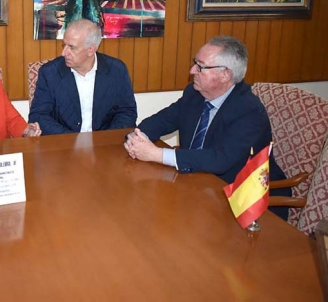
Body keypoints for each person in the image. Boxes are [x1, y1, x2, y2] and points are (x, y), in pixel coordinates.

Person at [124, 36, 291, 220]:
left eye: (200, 66)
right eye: (195, 63)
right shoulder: (194, 94)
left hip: (242, 200)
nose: (192, 70)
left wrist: (156, 154)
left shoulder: (248, 110)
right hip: (197, 188)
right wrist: (136, 138)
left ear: (225, 74)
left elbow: (219, 159)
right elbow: (161, 121)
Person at [29, 19, 137, 135]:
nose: (64, 53)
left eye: (72, 47)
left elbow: (127, 112)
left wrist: (104, 139)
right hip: (64, 144)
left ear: (91, 50)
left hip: (105, 144)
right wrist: (73, 140)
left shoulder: (116, 70)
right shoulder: (50, 72)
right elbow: (39, 115)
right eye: (64, 45)